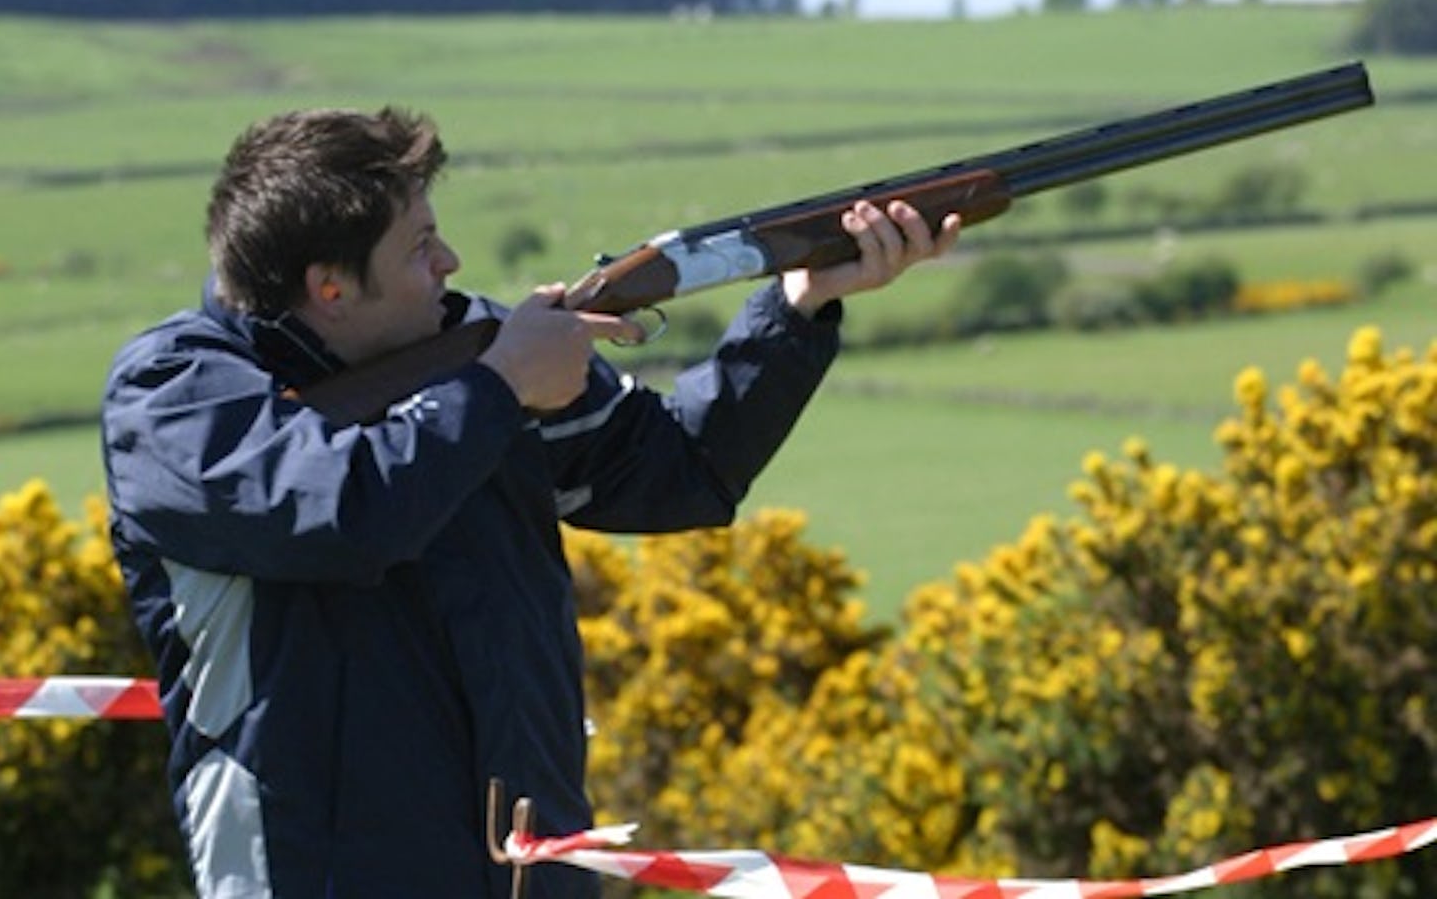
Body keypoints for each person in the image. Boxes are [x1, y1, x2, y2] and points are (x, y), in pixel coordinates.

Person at [101, 106, 961, 899]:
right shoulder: (173, 396)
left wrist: (799, 306)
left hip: (531, 869)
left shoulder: (467, 351)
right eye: (419, 246)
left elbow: (683, 468)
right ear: (330, 287)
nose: (450, 263)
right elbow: (346, 512)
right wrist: (504, 384)